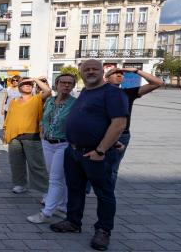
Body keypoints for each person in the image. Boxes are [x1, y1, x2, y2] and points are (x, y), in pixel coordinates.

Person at [50, 59, 128, 252]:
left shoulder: (113, 93)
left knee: (104, 193)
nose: (90, 72)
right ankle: (73, 222)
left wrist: (102, 149)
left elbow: (118, 123)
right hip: (74, 151)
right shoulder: (86, 92)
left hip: (97, 154)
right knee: (75, 189)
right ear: (81, 73)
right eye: (86, 69)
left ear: (103, 72)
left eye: (95, 69)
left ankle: (103, 230)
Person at [27, 74, 77, 224]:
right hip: (47, 143)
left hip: (64, 143)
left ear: (73, 86)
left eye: (70, 83)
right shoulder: (49, 101)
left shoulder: (75, 103)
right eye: (63, 82)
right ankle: (62, 206)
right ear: (57, 84)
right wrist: (42, 130)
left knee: (55, 179)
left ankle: (46, 213)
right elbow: (44, 118)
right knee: (55, 176)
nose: (66, 85)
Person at [105, 67, 163, 185]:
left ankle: (107, 195)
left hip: (121, 135)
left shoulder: (128, 93)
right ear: (106, 78)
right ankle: (86, 192)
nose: (119, 75)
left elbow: (158, 83)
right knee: (91, 164)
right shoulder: (98, 93)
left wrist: (136, 71)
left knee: (112, 168)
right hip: (100, 133)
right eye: (115, 73)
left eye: (121, 74)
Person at [3, 77, 52, 194]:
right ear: (19, 87)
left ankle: (45, 190)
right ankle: (20, 184)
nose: (28, 85)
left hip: (31, 136)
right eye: (25, 84)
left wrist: (34, 79)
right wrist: (6, 132)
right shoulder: (14, 101)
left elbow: (48, 91)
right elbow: (9, 117)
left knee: (36, 165)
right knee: (16, 163)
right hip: (14, 136)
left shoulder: (37, 98)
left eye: (30, 84)